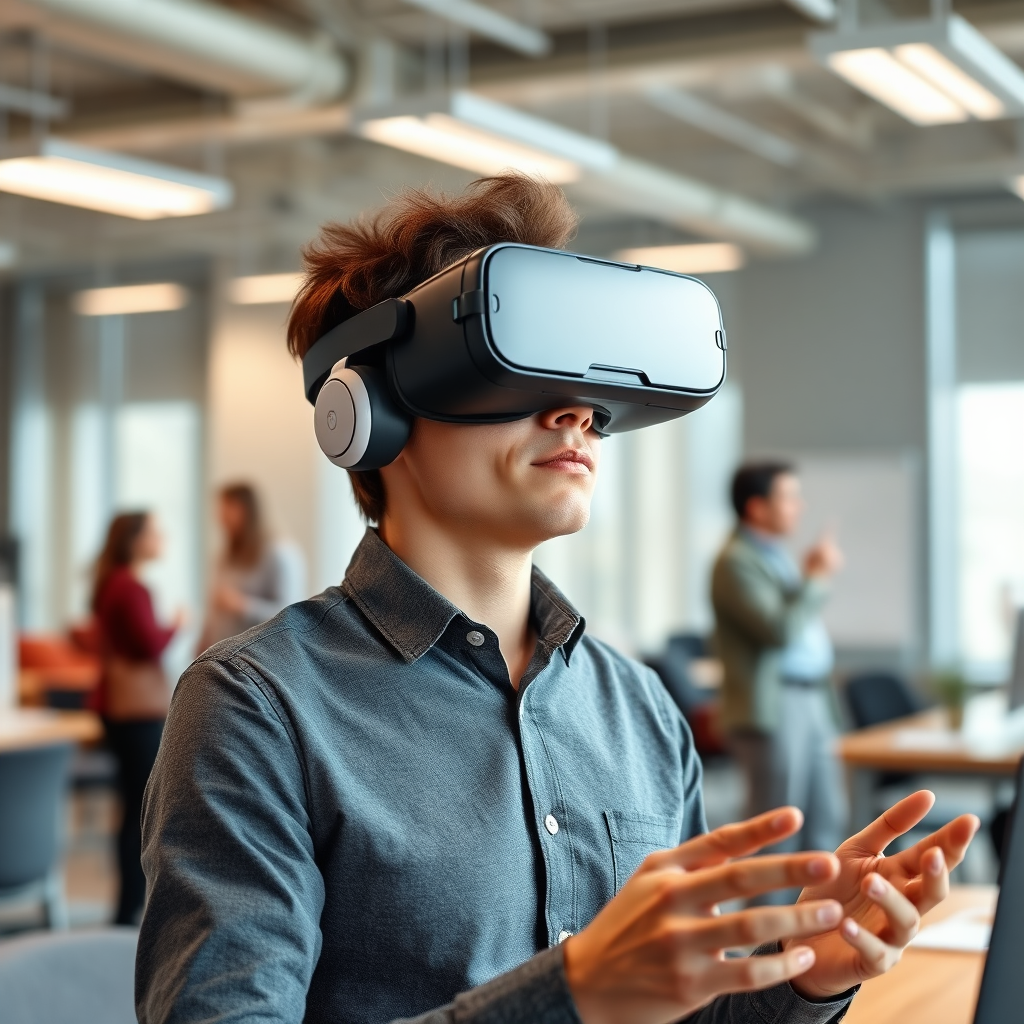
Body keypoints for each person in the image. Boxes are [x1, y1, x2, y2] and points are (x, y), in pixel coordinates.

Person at [136, 175, 978, 1024]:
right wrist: (572, 995)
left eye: (584, 379)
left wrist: (805, 977)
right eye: (516, 362)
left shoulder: (637, 707)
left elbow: (684, 1008)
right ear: (372, 408)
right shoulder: (257, 706)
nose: (579, 411)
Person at [711, 461, 847, 897]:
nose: (798, 507)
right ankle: (762, 950)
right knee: (776, 832)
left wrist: (806, 575)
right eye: (788, 497)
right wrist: (817, 578)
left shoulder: (774, 555)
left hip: (812, 699)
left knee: (826, 821)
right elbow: (779, 630)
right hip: (776, 705)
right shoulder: (735, 562)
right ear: (756, 507)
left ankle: (812, 934)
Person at [92, 511, 181, 925]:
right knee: (142, 809)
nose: (159, 537)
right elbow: (149, 645)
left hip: (118, 707)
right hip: (137, 711)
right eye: (153, 532)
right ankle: (128, 906)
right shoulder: (131, 587)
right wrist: (176, 626)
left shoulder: (113, 582)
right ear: (134, 539)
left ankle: (126, 904)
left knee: (132, 806)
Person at [196, 482, 306, 652]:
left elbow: (290, 613)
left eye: (226, 509)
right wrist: (204, 641)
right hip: (222, 655)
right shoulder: (224, 555)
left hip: (260, 657)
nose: (219, 517)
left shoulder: (279, 553)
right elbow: (215, 607)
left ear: (245, 510)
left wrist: (242, 605)